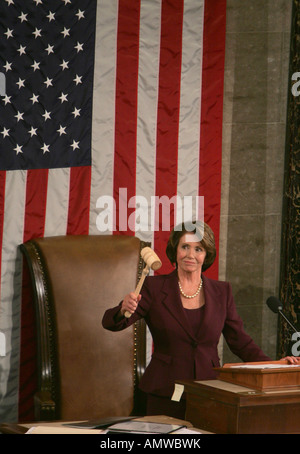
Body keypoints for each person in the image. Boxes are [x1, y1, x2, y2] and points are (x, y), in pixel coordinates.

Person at [102, 220, 299, 419]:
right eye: (185, 247)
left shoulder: (222, 292)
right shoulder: (153, 287)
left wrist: (274, 365)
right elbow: (111, 323)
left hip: (210, 392)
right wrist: (122, 309)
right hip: (164, 392)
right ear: (175, 250)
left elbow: (240, 342)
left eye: (198, 249)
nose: (190, 255)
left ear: (206, 255)